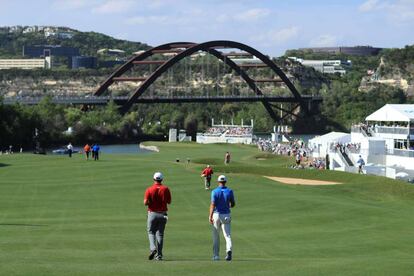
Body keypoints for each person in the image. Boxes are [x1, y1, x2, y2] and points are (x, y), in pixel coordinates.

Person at [144, 172, 172, 261]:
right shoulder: (166, 189)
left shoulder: (149, 189)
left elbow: (145, 202)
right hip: (163, 214)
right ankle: (159, 255)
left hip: (152, 213)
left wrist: (150, 202)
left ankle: (153, 249)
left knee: (151, 232)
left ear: (154, 179)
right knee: (160, 234)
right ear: (162, 179)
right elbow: (169, 201)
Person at [209, 175, 235, 261]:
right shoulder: (230, 191)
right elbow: (233, 203)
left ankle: (216, 256)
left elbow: (213, 204)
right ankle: (229, 251)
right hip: (226, 215)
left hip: (216, 215)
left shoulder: (214, 191)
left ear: (218, 181)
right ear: (225, 182)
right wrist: (228, 205)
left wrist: (210, 215)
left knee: (216, 236)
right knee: (227, 235)